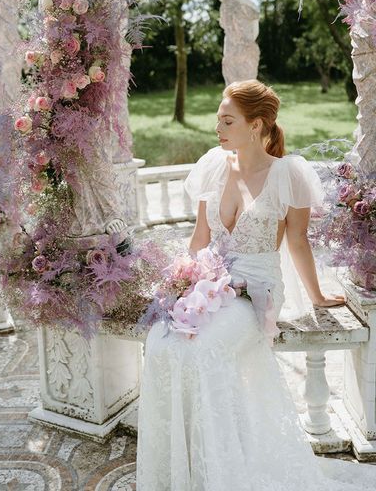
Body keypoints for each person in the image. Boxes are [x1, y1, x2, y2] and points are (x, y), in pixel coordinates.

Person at [136, 80, 374, 490]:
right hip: (208, 282)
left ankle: (224, 471)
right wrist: (179, 283)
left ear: (257, 125)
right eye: (218, 120)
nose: (218, 128)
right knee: (159, 342)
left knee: (203, 351)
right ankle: (181, 470)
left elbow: (298, 242)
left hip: (256, 291)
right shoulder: (214, 164)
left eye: (227, 120)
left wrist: (316, 296)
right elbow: (200, 238)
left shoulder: (288, 174)